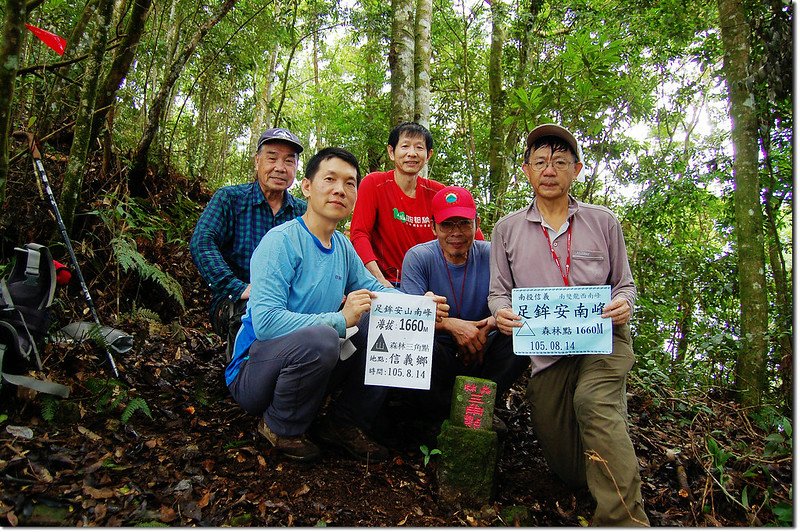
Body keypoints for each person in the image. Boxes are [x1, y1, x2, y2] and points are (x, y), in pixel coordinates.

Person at [225, 147, 448, 463]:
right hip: (254, 372)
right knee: (325, 336)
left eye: (350, 183)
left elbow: (375, 291)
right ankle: (279, 427)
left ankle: (344, 422)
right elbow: (266, 322)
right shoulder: (281, 242)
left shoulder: (341, 246)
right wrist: (339, 319)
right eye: (329, 179)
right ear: (306, 187)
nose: (339, 190)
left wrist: (419, 306)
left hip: (305, 363)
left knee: (381, 321)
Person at [488, 124, 649, 526]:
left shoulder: (602, 221)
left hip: (603, 341)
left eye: (560, 162)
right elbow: (498, 293)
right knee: (569, 469)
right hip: (547, 354)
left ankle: (624, 519)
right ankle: (604, 456)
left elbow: (625, 285)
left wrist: (623, 304)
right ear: (525, 170)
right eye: (540, 161)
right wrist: (502, 313)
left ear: (576, 170)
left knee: (593, 402)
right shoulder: (506, 230)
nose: (549, 170)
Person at [399, 186, 529, 422]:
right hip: (439, 353)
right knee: (417, 344)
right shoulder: (419, 258)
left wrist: (489, 325)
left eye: (463, 223)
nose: (456, 233)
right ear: (433, 226)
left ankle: (480, 404)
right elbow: (406, 318)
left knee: (521, 336)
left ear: (476, 223)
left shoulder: (492, 254)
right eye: (447, 225)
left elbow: (521, 301)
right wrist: (452, 326)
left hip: (483, 349)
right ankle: (440, 415)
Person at [190, 128, 307, 360]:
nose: (280, 167)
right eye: (272, 158)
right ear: (257, 161)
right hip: (236, 300)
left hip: (292, 301)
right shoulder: (230, 199)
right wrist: (237, 287)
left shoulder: (302, 212)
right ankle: (242, 376)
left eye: (288, 161)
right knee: (254, 316)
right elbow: (202, 243)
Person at [350, 122, 483, 288]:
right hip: (388, 282)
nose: (411, 153)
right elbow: (359, 234)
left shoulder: (438, 193)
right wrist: (378, 280)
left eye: (419, 147)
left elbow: (475, 238)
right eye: (405, 146)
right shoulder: (374, 184)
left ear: (428, 155)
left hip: (430, 285)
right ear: (391, 152)